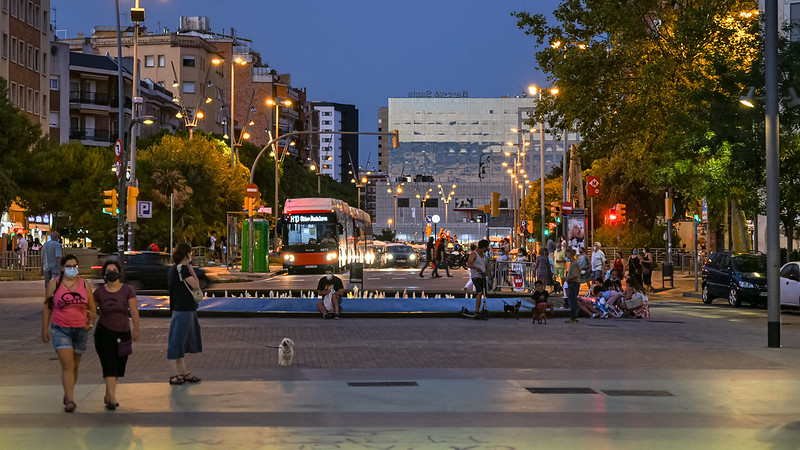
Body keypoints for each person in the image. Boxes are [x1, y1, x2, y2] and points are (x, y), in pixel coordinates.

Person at [41, 254, 97, 412]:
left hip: (80, 329)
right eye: (69, 266)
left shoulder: (84, 284)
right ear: (62, 268)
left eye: (75, 266)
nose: (72, 269)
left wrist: (90, 323)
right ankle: (70, 400)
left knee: (75, 366)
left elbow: (92, 308)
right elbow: (48, 307)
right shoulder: (55, 284)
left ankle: (68, 392)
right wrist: (44, 329)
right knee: (68, 364)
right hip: (60, 328)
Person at [92, 260, 140, 410]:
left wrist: (136, 329)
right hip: (104, 332)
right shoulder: (99, 292)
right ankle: (112, 398)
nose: (111, 272)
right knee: (109, 363)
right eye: (108, 270)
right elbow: (92, 312)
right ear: (104, 273)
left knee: (118, 367)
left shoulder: (127, 290)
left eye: (114, 269)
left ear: (119, 272)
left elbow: (133, 310)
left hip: (123, 332)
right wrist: (88, 323)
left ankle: (108, 394)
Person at [166, 242, 203, 386]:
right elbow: (196, 284)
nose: (192, 255)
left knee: (180, 342)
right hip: (183, 310)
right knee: (176, 342)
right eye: (191, 252)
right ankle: (174, 374)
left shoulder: (173, 269)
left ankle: (183, 371)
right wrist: (190, 267)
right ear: (187, 254)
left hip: (180, 309)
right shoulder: (183, 269)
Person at [467, 239, 490, 316]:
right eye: (486, 247)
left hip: (482, 277)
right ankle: (476, 311)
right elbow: (469, 264)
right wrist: (477, 268)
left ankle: (481, 309)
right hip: (476, 276)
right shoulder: (474, 254)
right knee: (479, 293)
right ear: (483, 247)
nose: (487, 249)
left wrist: (486, 272)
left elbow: (486, 266)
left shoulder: (484, 256)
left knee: (483, 293)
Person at [564, 248, 581, 323]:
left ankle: (573, 317)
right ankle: (574, 317)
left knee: (573, 301)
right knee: (572, 300)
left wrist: (567, 278)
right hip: (572, 283)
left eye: (567, 253)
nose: (565, 255)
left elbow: (575, 274)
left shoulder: (574, 263)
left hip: (573, 283)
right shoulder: (572, 263)